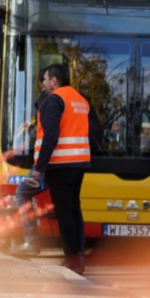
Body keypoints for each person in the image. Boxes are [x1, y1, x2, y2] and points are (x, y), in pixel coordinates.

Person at [29, 64, 91, 274]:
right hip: (80, 162)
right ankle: (78, 256)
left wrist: (39, 167)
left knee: (64, 212)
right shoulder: (80, 99)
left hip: (60, 164)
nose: (43, 84)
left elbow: (50, 136)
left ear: (53, 81)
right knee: (74, 209)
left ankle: (73, 261)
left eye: (45, 80)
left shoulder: (54, 100)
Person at [10, 67, 52, 256]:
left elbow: (44, 135)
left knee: (22, 192)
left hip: (45, 164)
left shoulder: (45, 100)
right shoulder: (74, 99)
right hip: (68, 164)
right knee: (70, 205)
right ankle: (75, 256)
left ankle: (32, 243)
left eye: (44, 79)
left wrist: (29, 130)